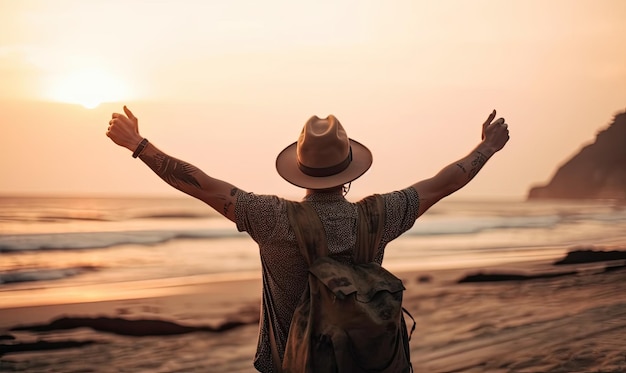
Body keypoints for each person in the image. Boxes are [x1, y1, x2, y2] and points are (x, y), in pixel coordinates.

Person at [106, 107, 509, 372]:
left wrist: (139, 146)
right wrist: (487, 146)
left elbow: (202, 186)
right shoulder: (378, 216)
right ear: (350, 172)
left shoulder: (272, 218)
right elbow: (444, 183)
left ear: (298, 169)